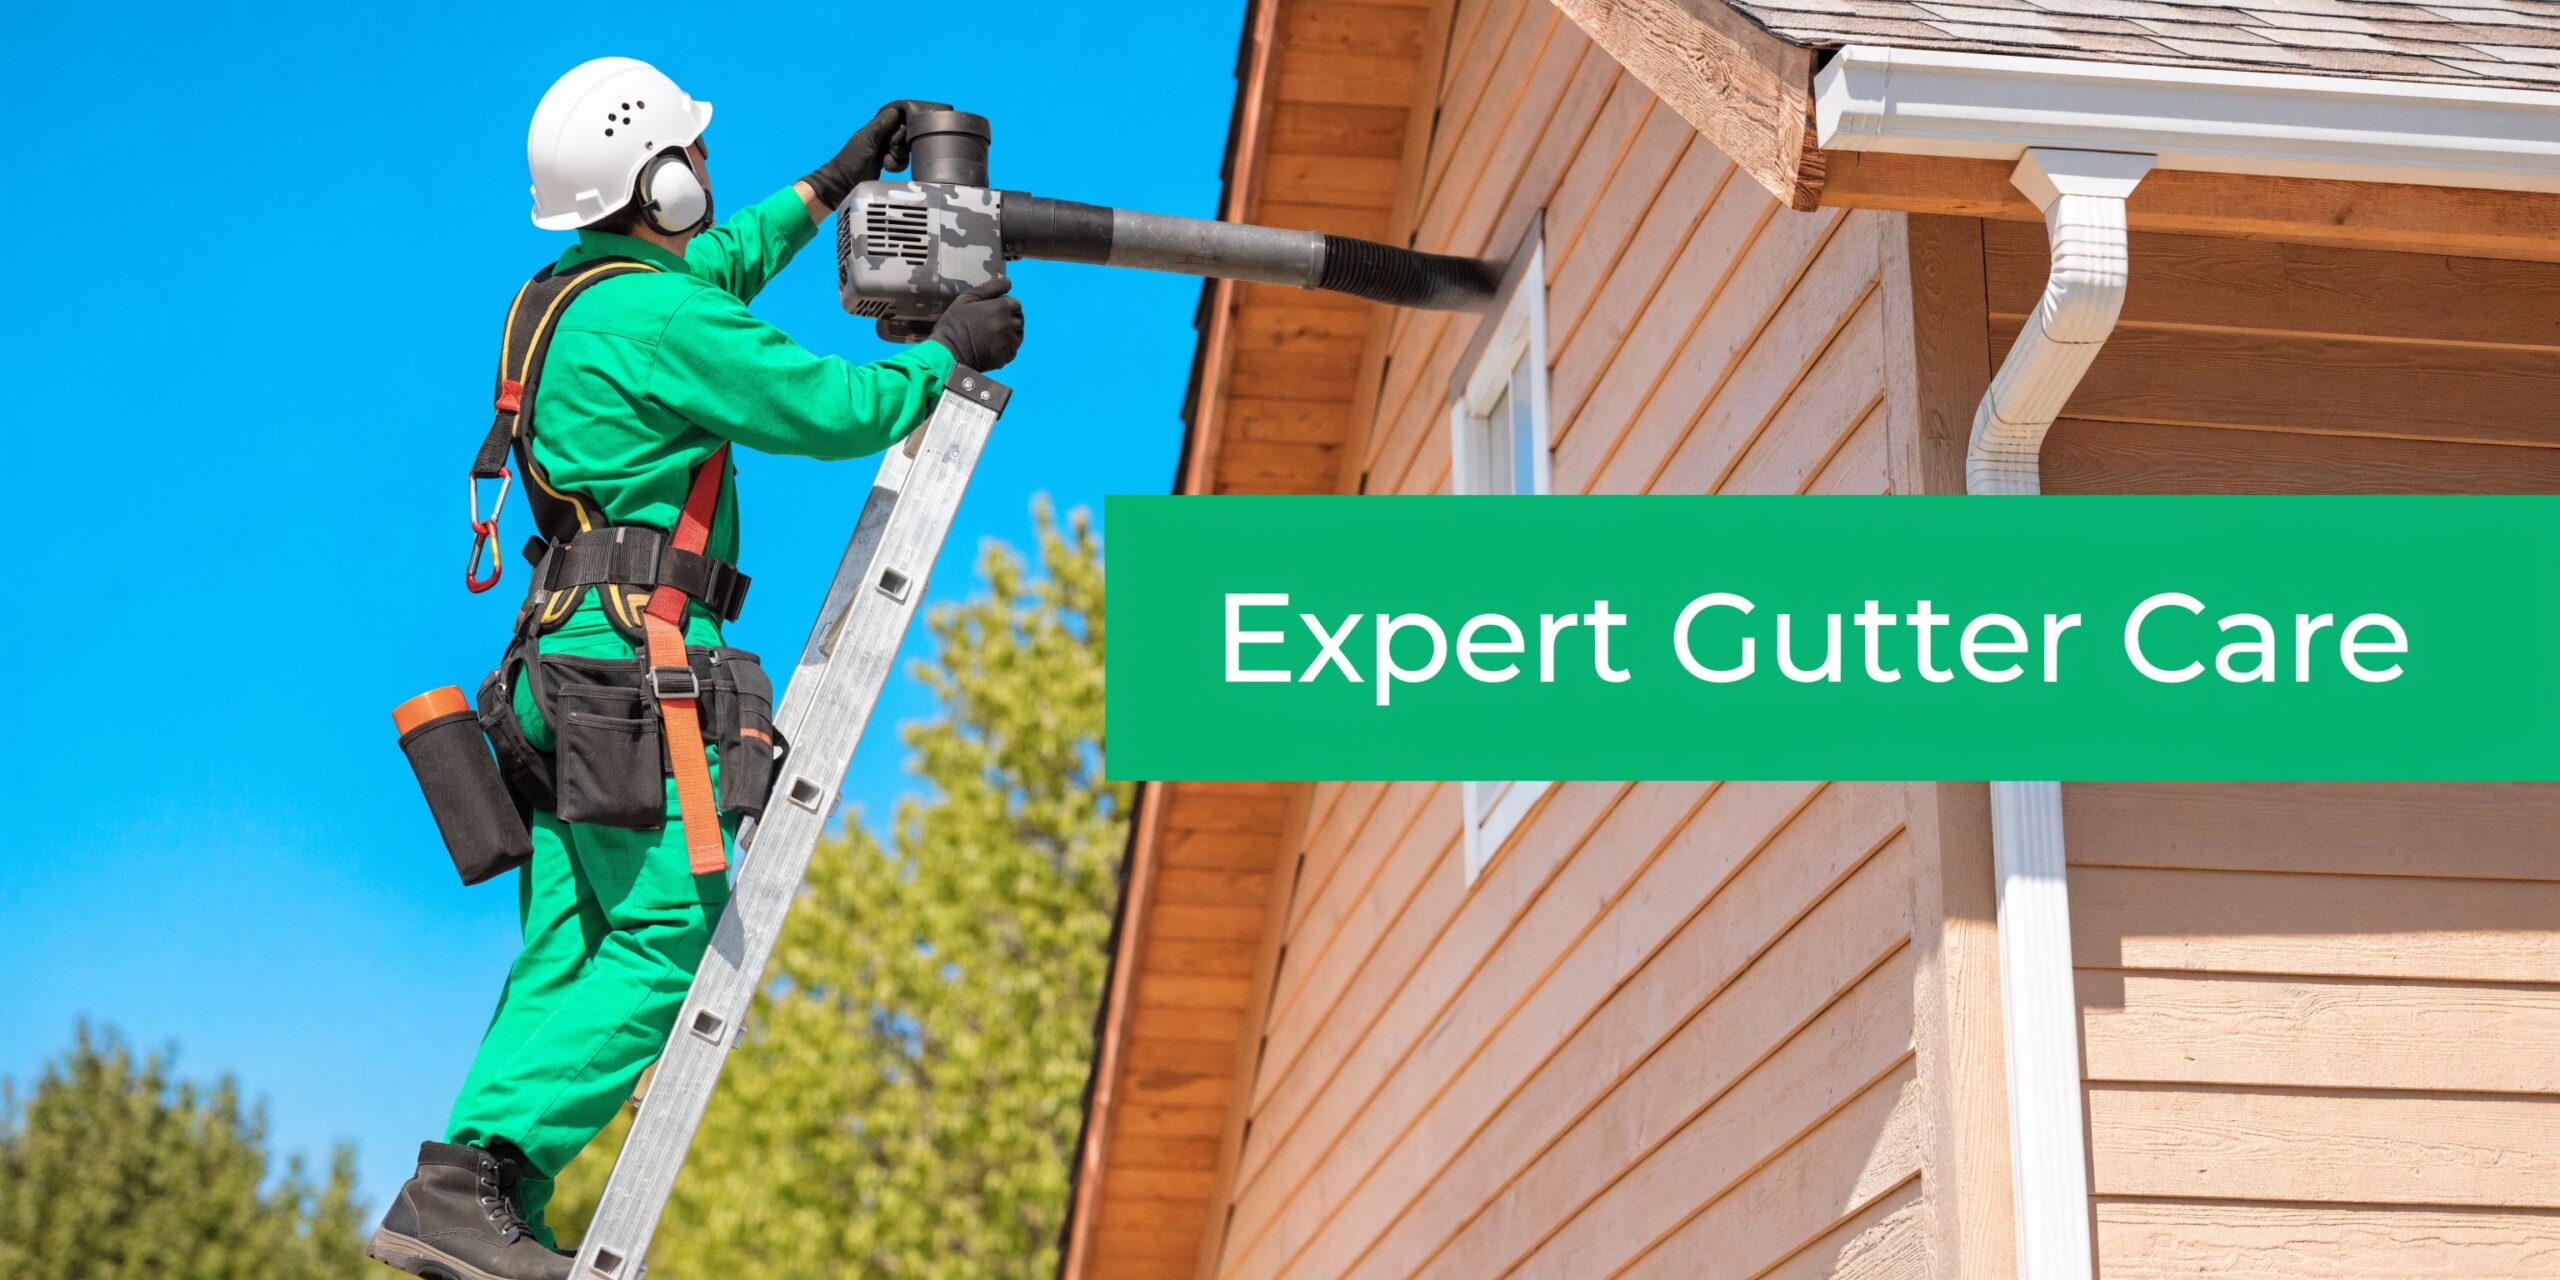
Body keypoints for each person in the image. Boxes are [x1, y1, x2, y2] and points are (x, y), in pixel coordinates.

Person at [367, 57, 1023, 1280]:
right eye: (696, 159)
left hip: (559, 669)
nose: (709, 180)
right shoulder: (661, 321)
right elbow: (833, 405)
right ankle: (467, 1186)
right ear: (662, 179)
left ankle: (474, 1199)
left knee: (571, 946)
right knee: (672, 931)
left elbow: (707, 270)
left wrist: (827, 187)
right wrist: (946, 355)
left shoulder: (565, 300)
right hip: (638, 671)